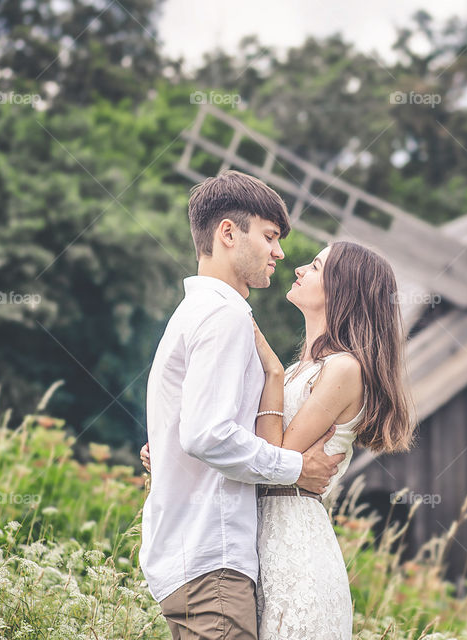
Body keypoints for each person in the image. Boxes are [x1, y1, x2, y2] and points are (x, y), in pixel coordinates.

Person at [142, 240, 416, 639]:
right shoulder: (298, 371)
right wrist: (172, 453)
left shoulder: (343, 369)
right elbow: (236, 445)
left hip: (295, 551)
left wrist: (270, 371)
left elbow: (274, 458)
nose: (299, 268)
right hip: (257, 543)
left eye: (317, 266)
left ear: (343, 289)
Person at [138, 170, 345, 640]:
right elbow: (205, 435)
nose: (280, 252)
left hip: (193, 557)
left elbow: (188, 430)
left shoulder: (196, 312)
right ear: (228, 233)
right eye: (270, 236)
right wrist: (295, 468)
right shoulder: (223, 314)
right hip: (212, 560)